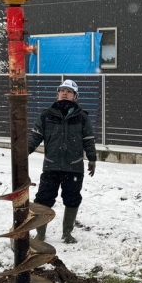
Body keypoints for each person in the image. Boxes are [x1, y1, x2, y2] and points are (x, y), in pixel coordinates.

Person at [28, 79, 97, 244]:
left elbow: (88, 139)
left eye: (69, 91)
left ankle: (67, 233)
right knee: (43, 199)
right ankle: (41, 234)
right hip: (51, 165)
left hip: (74, 167)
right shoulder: (46, 115)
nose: (64, 93)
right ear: (57, 94)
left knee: (72, 199)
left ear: (75, 96)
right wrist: (23, 153)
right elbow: (35, 137)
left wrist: (92, 158)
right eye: (62, 90)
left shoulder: (82, 117)